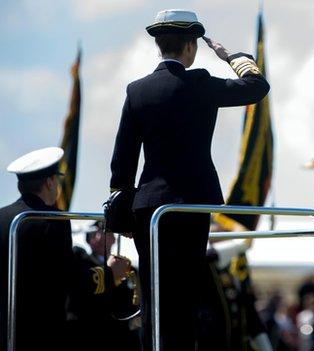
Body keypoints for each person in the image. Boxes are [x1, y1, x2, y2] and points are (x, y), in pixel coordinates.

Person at [109, 9, 269, 350]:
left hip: (148, 208)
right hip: (191, 205)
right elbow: (257, 87)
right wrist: (232, 57)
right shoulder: (200, 84)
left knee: (154, 295)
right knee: (185, 295)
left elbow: (122, 159)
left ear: (160, 45)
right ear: (191, 47)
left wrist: (122, 203)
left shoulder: (137, 90)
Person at [0, 147, 73, 349]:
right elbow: (64, 278)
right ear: (50, 182)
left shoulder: (2, 217)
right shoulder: (55, 220)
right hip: (41, 334)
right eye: (57, 179)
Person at [66, 221, 141, 351]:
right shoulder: (82, 262)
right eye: (99, 231)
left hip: (123, 335)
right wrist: (109, 273)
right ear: (90, 239)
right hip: (92, 332)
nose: (105, 234)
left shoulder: (129, 268)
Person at [199, 239, 272, 351]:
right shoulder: (208, 259)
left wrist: (265, 346)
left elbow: (250, 313)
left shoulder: (238, 260)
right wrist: (235, 246)